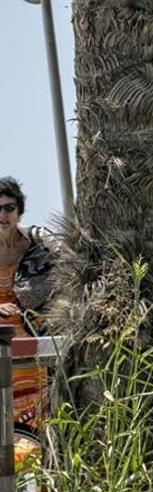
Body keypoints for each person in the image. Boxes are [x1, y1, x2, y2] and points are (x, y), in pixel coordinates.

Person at [0, 177, 57, 431]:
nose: (2, 214)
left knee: (39, 411)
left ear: (19, 211)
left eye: (9, 208)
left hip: (33, 333)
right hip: (2, 334)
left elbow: (73, 258)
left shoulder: (37, 239)